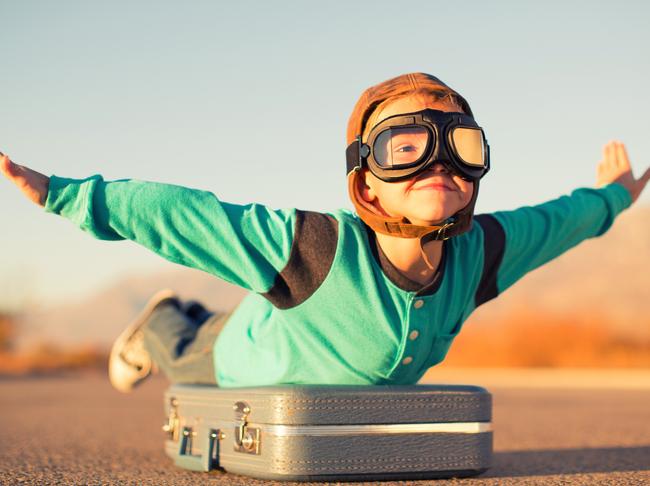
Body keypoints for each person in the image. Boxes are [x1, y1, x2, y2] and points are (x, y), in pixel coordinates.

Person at [2, 73, 648, 393]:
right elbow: (181, 214)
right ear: (366, 185)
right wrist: (65, 195)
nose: (439, 162)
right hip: (246, 360)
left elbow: (561, 223)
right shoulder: (311, 246)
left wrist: (613, 197)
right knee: (184, 349)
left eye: (459, 145)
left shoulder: (481, 253)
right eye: (408, 146)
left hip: (311, 362)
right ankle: (160, 318)